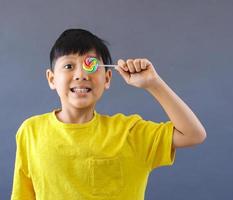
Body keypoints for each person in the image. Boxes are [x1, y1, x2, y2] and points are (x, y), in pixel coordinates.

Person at [11, 28, 207, 200]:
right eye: (69, 66)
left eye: (91, 65)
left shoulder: (129, 132)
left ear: (107, 78)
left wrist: (153, 84)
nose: (81, 75)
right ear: (52, 79)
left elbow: (194, 134)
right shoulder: (30, 132)